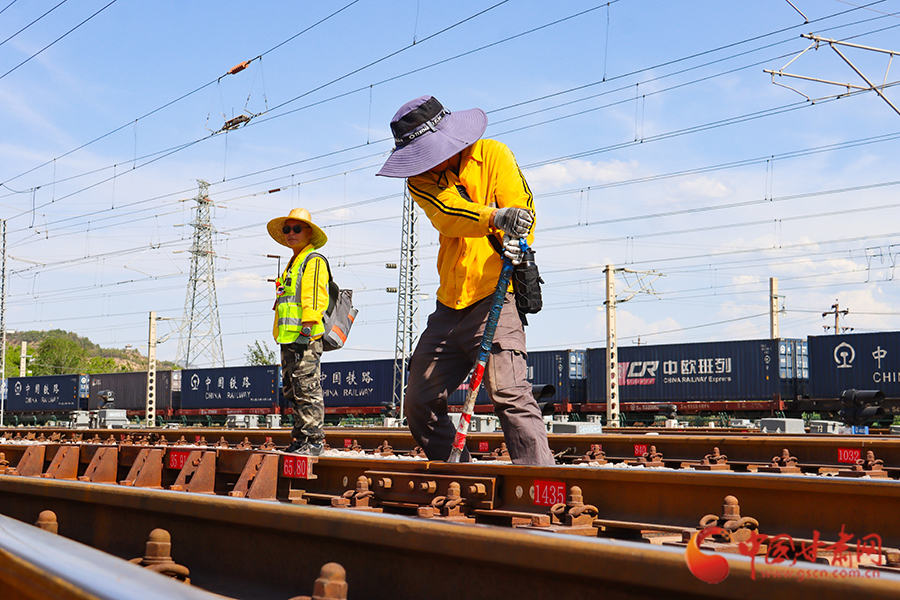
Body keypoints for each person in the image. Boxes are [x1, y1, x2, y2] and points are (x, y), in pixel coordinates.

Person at [377, 95, 555, 465]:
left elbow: (523, 211)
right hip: (449, 308)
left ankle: (542, 486)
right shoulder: (420, 180)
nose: (429, 160)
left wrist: (517, 232)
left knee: (510, 394)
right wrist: (494, 218)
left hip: (495, 298)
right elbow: (447, 213)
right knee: (419, 403)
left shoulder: (494, 155)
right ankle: (459, 473)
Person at [267, 208, 330, 456]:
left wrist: (307, 328)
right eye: (286, 230)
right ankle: (301, 438)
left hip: (305, 336)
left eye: (296, 229)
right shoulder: (293, 263)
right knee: (294, 390)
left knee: (307, 388)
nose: (290, 234)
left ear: (309, 233)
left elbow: (314, 296)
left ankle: (314, 441)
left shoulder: (313, 260)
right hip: (288, 338)